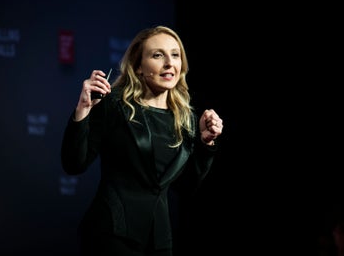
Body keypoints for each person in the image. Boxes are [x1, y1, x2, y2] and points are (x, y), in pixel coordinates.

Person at [61, 25, 224, 256]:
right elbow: (73, 164)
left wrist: (205, 145)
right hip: (112, 234)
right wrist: (83, 109)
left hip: (159, 241)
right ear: (138, 67)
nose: (169, 63)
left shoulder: (186, 118)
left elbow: (185, 188)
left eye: (175, 55)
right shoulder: (115, 105)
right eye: (158, 55)